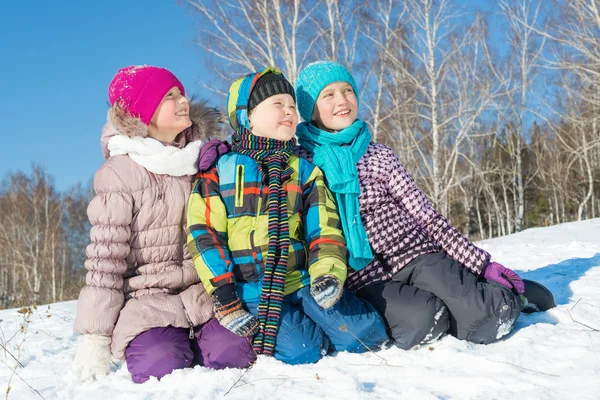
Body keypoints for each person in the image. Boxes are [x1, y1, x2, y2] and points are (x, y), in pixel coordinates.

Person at [294, 61, 524, 350]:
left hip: (417, 254)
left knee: (485, 317)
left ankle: (510, 295)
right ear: (310, 108)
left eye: (348, 90)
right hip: (363, 276)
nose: (342, 100)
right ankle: (453, 303)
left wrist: (481, 263)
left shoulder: (379, 155)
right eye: (328, 95)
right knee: (423, 320)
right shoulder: (301, 163)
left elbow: (425, 215)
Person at [187, 67, 388, 365]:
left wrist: (327, 274)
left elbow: (324, 228)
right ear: (247, 116)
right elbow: (204, 234)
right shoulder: (220, 171)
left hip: (302, 281)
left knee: (365, 333)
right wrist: (225, 293)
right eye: (277, 104)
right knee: (302, 349)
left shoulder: (303, 170)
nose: (289, 111)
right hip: (254, 289)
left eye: (292, 106)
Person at [73, 65, 255, 383]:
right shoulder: (119, 173)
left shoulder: (204, 161)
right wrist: (96, 336)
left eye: (180, 92)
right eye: (169, 96)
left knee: (235, 351)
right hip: (146, 300)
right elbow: (106, 259)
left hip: (204, 292)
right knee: (160, 363)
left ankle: (204, 341)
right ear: (142, 112)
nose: (182, 99)